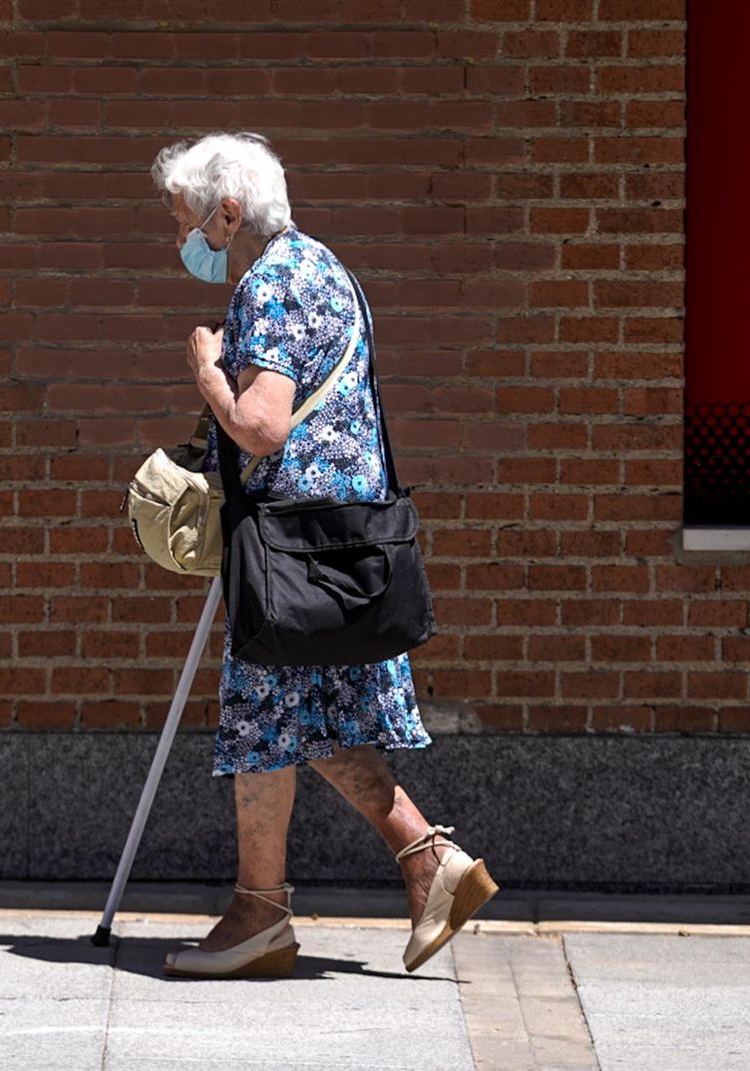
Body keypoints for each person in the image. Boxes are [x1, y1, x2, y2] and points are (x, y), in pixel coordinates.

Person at [148, 131, 499, 979]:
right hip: (337, 544)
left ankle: (275, 910)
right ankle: (402, 870)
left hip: (293, 549)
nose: (184, 240)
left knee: (275, 717)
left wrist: (207, 375)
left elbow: (264, 424)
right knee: (295, 720)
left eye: (190, 221)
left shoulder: (270, 285)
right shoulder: (323, 267)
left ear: (229, 211)